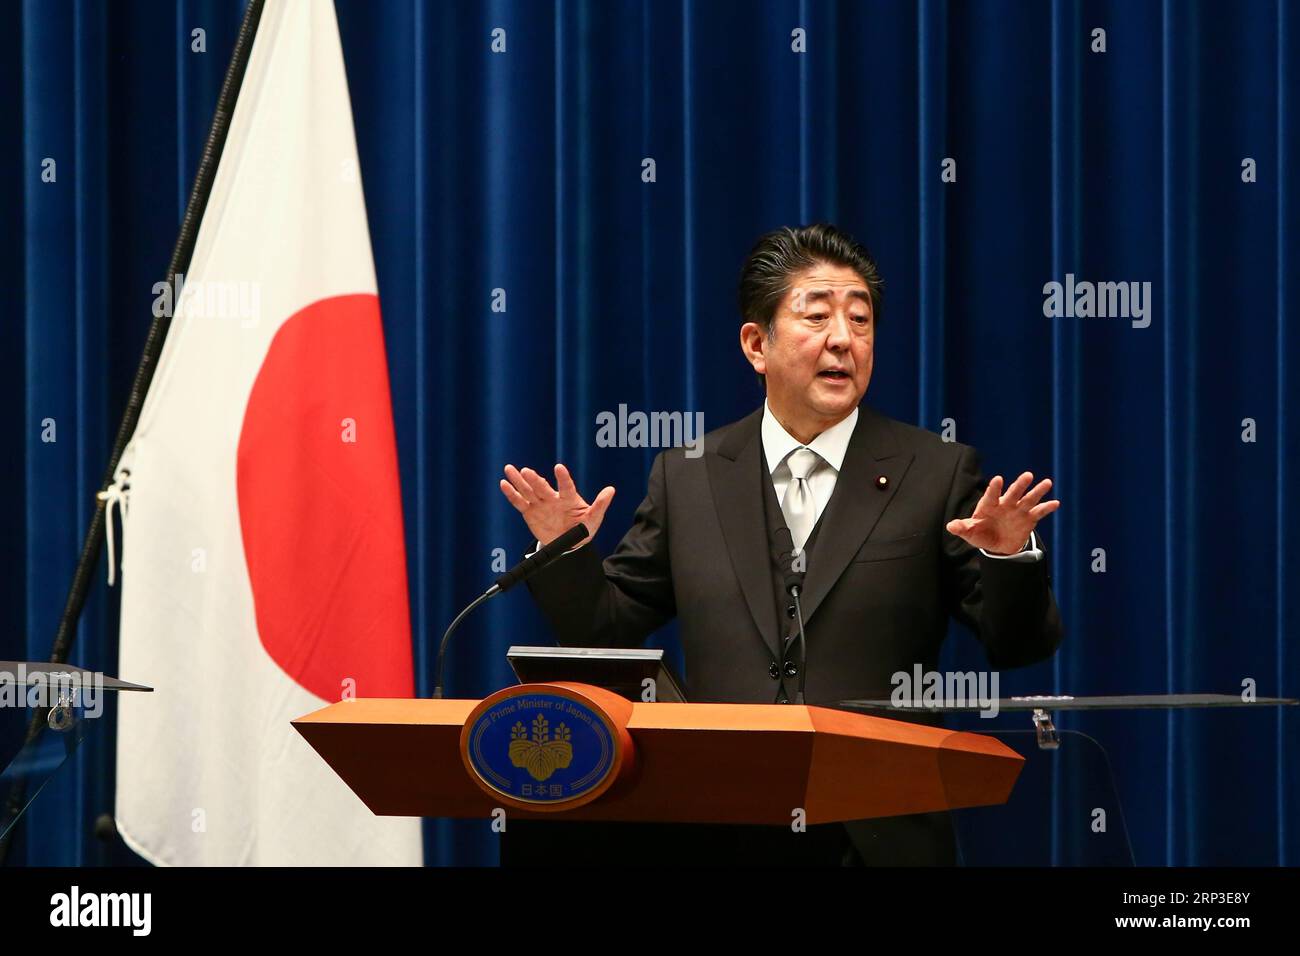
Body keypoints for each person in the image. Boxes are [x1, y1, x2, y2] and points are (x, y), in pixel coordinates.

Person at [497, 222, 1063, 865]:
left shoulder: (937, 472)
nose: (844, 339)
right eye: (817, 316)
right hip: (720, 829)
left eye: (860, 319)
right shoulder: (691, 475)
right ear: (755, 344)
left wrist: (1007, 557)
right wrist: (564, 551)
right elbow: (608, 625)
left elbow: (1019, 645)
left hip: (878, 835)